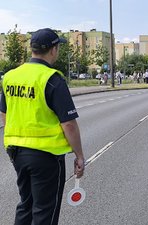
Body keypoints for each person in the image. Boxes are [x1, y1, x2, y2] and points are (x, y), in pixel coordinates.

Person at [0, 28, 85, 225]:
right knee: (45, 211)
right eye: (58, 47)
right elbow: (69, 124)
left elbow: (4, 113)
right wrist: (79, 155)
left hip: (16, 152)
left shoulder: (10, 77)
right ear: (53, 50)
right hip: (46, 155)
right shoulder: (52, 79)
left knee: (26, 204)